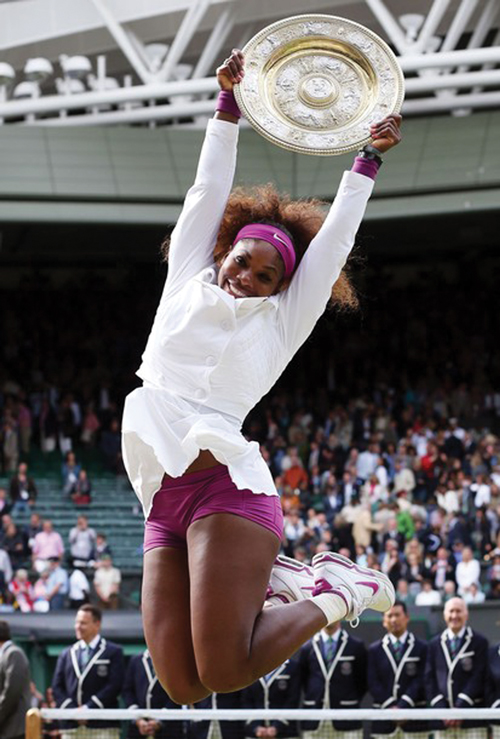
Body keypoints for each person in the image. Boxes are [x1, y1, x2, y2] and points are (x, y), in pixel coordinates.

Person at [121, 48, 401, 703]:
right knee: (182, 684)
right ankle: (286, 578)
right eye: (241, 261)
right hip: (163, 496)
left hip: (225, 486)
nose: (245, 276)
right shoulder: (188, 277)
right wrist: (227, 105)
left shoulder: (281, 320)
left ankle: (338, 592)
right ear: (225, 252)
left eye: (264, 274)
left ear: (282, 287)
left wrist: (366, 160)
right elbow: (206, 191)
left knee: (223, 670)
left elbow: (331, 242)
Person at [51, 604, 124, 739]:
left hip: (103, 725)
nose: (78, 626)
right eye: (77, 622)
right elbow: (57, 687)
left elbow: (115, 685)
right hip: (71, 727)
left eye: (83, 623)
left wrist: (88, 709)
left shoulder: (113, 651)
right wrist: (73, 711)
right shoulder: (66, 653)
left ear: (97, 624)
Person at [425, 597, 488, 739]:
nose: (454, 615)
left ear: (466, 614)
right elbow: (429, 679)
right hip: (442, 722)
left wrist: (460, 708)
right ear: (444, 614)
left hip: (472, 720)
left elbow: (479, 676)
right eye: (451, 611)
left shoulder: (480, 642)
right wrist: (443, 711)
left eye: (458, 611)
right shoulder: (434, 644)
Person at [367, 602, 428, 739]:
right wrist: (391, 707)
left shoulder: (422, 647)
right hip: (383, 723)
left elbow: (422, 679)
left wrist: (403, 705)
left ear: (407, 617)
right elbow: (372, 682)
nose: (394, 620)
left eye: (397, 615)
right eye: (389, 616)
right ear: (384, 621)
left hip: (414, 722)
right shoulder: (374, 650)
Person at [299, 620, 367, 739]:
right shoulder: (307, 648)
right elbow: (304, 680)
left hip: (347, 720)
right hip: (315, 720)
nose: (331, 617)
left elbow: (362, 682)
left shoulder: (355, 646)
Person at [123, 649, 183, 739]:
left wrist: (160, 720)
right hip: (137, 730)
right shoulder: (136, 660)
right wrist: (138, 719)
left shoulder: (175, 661)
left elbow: (179, 692)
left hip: (169, 730)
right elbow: (127, 690)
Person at [0, 620, 32, 739]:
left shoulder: (13, 653)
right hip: (8, 728)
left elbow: (11, 692)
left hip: (14, 729)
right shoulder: (6, 654)